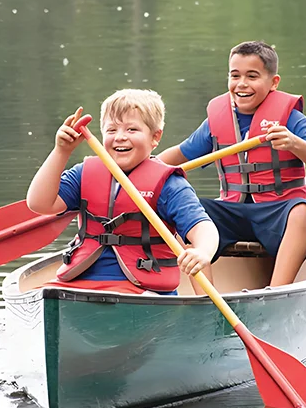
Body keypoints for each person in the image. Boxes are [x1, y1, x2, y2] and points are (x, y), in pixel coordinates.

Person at [158, 41, 306, 287]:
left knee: (301, 211)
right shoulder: (216, 121)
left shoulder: (291, 119)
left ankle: (276, 292)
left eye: (252, 76)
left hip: (279, 212)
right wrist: (138, 170)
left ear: (273, 82)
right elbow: (175, 156)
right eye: (235, 75)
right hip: (232, 212)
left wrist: (294, 143)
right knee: (187, 210)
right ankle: (204, 299)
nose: (241, 84)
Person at [26, 89, 219, 295]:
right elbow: (40, 203)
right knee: (44, 293)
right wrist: (61, 151)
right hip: (81, 283)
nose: (120, 137)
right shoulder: (83, 174)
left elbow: (202, 227)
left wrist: (203, 251)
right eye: (111, 130)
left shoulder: (169, 185)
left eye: (131, 130)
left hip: (142, 289)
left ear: (155, 137)